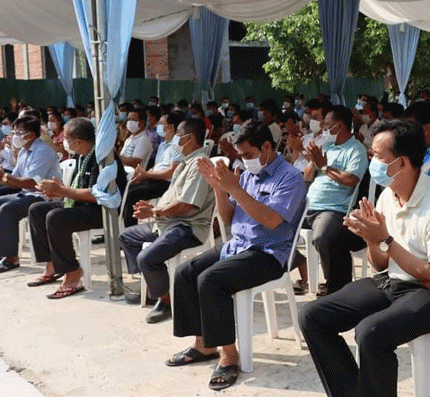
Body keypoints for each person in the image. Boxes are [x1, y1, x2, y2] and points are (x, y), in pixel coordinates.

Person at [299, 119, 430, 397]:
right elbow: (379, 264)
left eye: (379, 157)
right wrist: (370, 237)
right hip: (395, 281)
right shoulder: (387, 196)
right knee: (313, 316)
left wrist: (386, 240)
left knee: (371, 333)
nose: (373, 163)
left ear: (401, 162)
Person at [165, 120, 306, 391]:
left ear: (266, 147)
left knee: (211, 280)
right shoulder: (247, 174)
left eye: (248, 154)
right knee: (185, 273)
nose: (244, 160)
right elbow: (228, 219)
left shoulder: (290, 178)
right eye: (240, 155)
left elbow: (271, 220)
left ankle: (229, 354)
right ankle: (204, 345)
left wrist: (235, 188)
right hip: (239, 245)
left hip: (268, 253)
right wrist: (219, 188)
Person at [119, 116, 215, 323]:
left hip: (188, 227)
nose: (175, 140)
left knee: (147, 258)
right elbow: (174, 199)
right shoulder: (185, 163)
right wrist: (152, 208)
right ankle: (153, 287)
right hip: (168, 223)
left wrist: (154, 213)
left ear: (189, 138)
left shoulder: (199, 165)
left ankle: (166, 300)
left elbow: (187, 205)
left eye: (179, 135)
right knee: (127, 237)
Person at [27, 118, 127, 298]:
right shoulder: (81, 155)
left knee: (56, 218)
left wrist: (62, 190)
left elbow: (96, 194)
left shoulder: (101, 157)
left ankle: (72, 272)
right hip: (81, 204)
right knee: (37, 210)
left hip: (103, 210)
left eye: (66, 139)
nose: (62, 142)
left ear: (78, 142)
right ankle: (52, 264)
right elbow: (78, 188)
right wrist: (58, 190)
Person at [0, 116, 61, 274]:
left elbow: (33, 182)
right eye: (14, 131)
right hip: (28, 194)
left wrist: (4, 177)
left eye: (18, 132)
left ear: (31, 135)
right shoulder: (24, 151)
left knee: (7, 209)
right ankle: (0, 251)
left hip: (43, 195)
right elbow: (15, 179)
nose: (14, 135)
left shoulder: (43, 151)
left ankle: (11, 258)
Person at [302, 106, 369, 295]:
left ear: (339, 126)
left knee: (324, 237)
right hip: (308, 206)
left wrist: (324, 167)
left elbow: (351, 179)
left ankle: (337, 289)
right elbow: (307, 177)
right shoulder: (328, 146)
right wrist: (313, 161)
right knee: (275, 224)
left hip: (333, 209)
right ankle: (297, 273)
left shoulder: (356, 149)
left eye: (327, 125)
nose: (323, 129)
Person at [121, 112, 184, 228]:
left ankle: (130, 229)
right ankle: (126, 226)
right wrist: (143, 175)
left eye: (161, 124)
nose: (157, 126)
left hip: (167, 183)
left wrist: (147, 175)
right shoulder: (163, 145)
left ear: (170, 127)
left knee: (131, 194)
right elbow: (156, 167)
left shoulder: (177, 145)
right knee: (127, 188)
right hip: (155, 179)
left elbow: (171, 172)